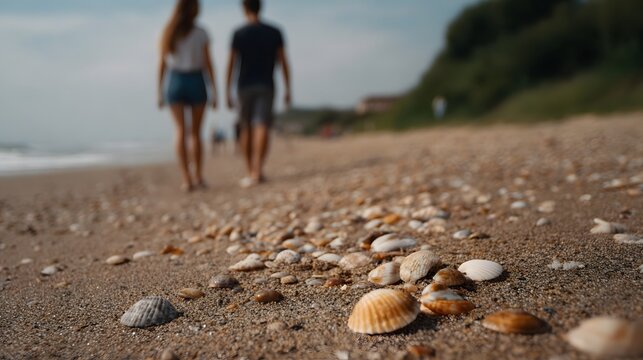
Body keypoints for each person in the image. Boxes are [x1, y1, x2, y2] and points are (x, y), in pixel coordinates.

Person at [226, 0, 291, 187]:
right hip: (266, 84)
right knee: (262, 124)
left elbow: (231, 63)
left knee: (246, 126)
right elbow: (283, 61)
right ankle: (258, 170)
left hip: (244, 85)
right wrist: (287, 88)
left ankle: (249, 170)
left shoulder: (239, 33)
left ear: (244, 9)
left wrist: (227, 90)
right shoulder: (274, 31)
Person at [158, 0, 217, 192]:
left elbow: (162, 64)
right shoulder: (201, 32)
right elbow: (208, 63)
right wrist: (214, 90)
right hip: (196, 79)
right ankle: (198, 175)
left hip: (175, 81)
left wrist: (159, 90)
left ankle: (186, 179)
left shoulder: (169, 32)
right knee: (196, 133)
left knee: (180, 131)